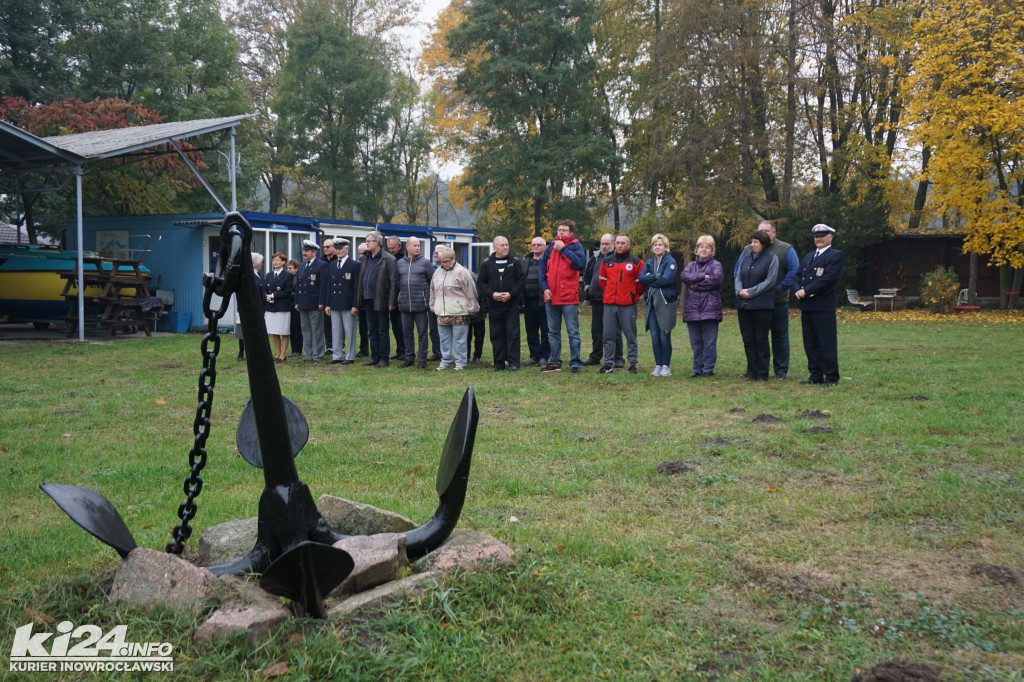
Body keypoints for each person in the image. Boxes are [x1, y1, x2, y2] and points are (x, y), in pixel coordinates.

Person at [734, 221, 799, 379]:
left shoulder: (785, 249)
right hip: (751, 302)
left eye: (767, 230)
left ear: (774, 233)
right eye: (760, 231)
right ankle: (754, 370)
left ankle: (780, 371)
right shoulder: (748, 250)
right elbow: (737, 270)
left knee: (779, 336)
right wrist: (741, 291)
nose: (764, 233)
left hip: (778, 300)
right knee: (753, 337)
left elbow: (793, 272)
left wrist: (779, 289)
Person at [795, 223, 844, 386]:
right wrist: (796, 290)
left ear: (830, 237)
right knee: (810, 342)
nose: (819, 239)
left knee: (826, 341)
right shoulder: (809, 256)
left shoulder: (835, 255)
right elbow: (797, 275)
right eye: (816, 236)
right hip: (807, 305)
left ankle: (831, 376)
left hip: (822, 305)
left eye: (822, 236)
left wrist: (806, 291)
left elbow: (828, 279)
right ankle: (815, 374)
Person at [539, 219, 586, 373]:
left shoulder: (575, 246)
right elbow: (542, 270)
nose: (560, 233)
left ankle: (575, 362)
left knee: (573, 331)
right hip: (551, 295)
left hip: (568, 297)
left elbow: (580, 263)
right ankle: (554, 361)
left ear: (571, 233)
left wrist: (564, 249)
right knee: (552, 331)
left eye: (563, 230)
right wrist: (544, 288)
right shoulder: (550, 247)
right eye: (559, 230)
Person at [735, 230, 779, 381]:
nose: (752, 245)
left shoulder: (772, 258)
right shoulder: (746, 258)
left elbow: (770, 281)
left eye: (756, 242)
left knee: (760, 339)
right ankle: (751, 371)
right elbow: (738, 276)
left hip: (762, 305)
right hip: (744, 305)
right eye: (752, 241)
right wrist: (739, 291)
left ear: (763, 243)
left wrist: (751, 292)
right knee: (748, 339)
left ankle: (762, 372)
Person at [477, 236, 525, 371]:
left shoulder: (515, 262)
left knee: (513, 333)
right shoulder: (487, 263)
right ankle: (499, 362)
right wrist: (492, 294)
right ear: (495, 247)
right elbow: (481, 282)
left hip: (511, 304)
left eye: (507, 245)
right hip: (494, 305)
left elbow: (521, 281)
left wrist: (511, 294)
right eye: (502, 245)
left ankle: (513, 363)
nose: (505, 248)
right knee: (496, 334)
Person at [597, 234, 644, 374]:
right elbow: (602, 281)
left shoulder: (636, 262)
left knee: (630, 335)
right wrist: (610, 293)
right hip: (610, 304)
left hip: (628, 305)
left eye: (622, 243)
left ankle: (633, 363)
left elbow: (641, 283)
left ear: (628, 245)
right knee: (608, 335)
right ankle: (608, 363)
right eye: (617, 242)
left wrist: (632, 295)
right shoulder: (607, 261)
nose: (619, 245)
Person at [679, 235, 723, 377]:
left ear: (712, 250)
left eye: (707, 247)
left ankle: (708, 369)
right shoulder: (690, 265)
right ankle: (697, 368)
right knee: (696, 342)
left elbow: (715, 280)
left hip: (710, 309)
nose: (703, 249)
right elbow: (684, 277)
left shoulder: (716, 265)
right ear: (696, 249)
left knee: (709, 342)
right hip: (692, 310)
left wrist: (694, 285)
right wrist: (704, 276)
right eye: (701, 247)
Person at [429, 246, 479, 370]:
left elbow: (471, 291)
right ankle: (445, 361)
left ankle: (460, 362)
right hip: (442, 312)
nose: (445, 264)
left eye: (447, 261)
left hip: (459, 312)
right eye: (443, 261)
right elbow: (432, 291)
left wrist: (472, 306)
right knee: (444, 340)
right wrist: (433, 305)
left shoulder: (462, 272)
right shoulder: (437, 273)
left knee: (460, 340)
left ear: (454, 258)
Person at [356, 231, 399, 367]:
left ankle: (384, 358)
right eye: (366, 241)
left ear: (378, 243)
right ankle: (374, 357)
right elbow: (361, 279)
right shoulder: (365, 258)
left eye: (369, 241)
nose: (366, 243)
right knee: (372, 330)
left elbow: (394, 282)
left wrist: (391, 302)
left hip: (381, 299)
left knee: (382, 330)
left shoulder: (389, 259)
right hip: (367, 299)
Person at [639, 234, 679, 377]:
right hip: (651, 304)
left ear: (666, 247)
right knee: (655, 336)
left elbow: (667, 279)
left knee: (664, 335)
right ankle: (657, 365)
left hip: (665, 303)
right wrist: (656, 276)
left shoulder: (670, 261)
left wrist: (651, 280)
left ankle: (666, 366)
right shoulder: (649, 262)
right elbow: (641, 278)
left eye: (660, 244)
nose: (657, 247)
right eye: (655, 245)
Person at [583, 233, 621, 366]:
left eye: (607, 244)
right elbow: (587, 275)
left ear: (613, 244)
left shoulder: (617, 258)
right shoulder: (595, 258)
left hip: (612, 300)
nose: (604, 246)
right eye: (602, 244)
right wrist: (588, 290)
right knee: (596, 330)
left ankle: (618, 358)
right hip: (597, 300)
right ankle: (595, 356)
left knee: (614, 330)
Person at [396, 237, 433, 368]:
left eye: (419, 245)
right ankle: (409, 357)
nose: (417, 247)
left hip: (421, 305)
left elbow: (432, 283)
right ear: (407, 247)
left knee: (422, 333)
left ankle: (422, 359)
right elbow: (396, 283)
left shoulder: (426, 263)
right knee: (407, 333)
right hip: (405, 304)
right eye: (415, 245)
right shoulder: (400, 263)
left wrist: (428, 300)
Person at [323, 239, 360, 365]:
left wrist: (355, 305)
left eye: (340, 248)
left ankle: (350, 356)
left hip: (348, 303)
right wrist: (327, 304)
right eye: (336, 249)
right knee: (336, 330)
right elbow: (329, 286)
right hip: (334, 303)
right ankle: (337, 355)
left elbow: (356, 287)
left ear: (347, 249)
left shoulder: (354, 265)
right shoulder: (332, 265)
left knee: (349, 330)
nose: (338, 251)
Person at [295, 240, 327, 362]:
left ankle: (318, 354)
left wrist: (321, 302)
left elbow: (324, 285)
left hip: (315, 303)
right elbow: (298, 284)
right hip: (303, 302)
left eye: (307, 251)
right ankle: (308, 354)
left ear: (314, 252)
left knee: (316, 330)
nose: (304, 253)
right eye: (304, 250)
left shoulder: (321, 265)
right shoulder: (302, 265)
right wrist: (297, 301)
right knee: (306, 329)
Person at [522, 237, 551, 366]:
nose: (536, 247)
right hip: (528, 301)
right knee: (531, 330)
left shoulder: (549, 261)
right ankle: (534, 355)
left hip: (544, 301)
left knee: (546, 330)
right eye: (534, 244)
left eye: (539, 244)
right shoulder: (525, 261)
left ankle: (544, 356)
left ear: (545, 246)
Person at [264, 252, 294, 362]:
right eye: (274, 260)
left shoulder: (288, 275)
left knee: (283, 331)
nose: (275, 262)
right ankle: (277, 353)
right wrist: (266, 296)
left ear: (283, 262)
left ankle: (283, 354)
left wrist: (274, 295)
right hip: (270, 307)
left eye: (278, 260)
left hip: (282, 307)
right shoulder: (269, 275)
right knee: (274, 331)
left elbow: (288, 290)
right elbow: (265, 289)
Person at [234, 252, 264, 361]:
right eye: (260, 262)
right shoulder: (245, 274)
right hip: (245, 307)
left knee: (254, 331)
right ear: (254, 263)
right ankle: (241, 352)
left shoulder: (259, 274)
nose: (261, 264)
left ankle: (253, 351)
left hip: (257, 307)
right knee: (242, 330)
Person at [385, 236, 407, 360]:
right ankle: (399, 350)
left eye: (393, 248)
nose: (391, 250)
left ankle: (405, 351)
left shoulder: (404, 257)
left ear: (399, 246)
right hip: (392, 296)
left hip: (402, 295)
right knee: (395, 325)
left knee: (401, 325)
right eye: (389, 248)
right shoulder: (389, 257)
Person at [321, 238, 337, 354]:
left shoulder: (339, 260)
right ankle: (329, 345)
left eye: (328, 247)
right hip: (325, 294)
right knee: (327, 323)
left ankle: (338, 345)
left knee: (337, 324)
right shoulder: (321, 261)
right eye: (324, 247)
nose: (325, 249)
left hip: (337, 294)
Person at [355, 243, 370, 358]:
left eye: (363, 253)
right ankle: (364, 349)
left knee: (374, 327)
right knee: (362, 327)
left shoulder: (371, 263)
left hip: (371, 299)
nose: (361, 256)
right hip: (361, 300)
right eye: (359, 253)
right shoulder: (359, 264)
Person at [287, 258, 303, 356]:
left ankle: (298, 349)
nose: (288, 270)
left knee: (297, 328)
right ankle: (293, 349)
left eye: (290, 268)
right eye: (287, 268)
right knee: (291, 328)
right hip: (289, 305)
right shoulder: (288, 278)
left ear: (296, 269)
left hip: (296, 306)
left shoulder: (298, 278)